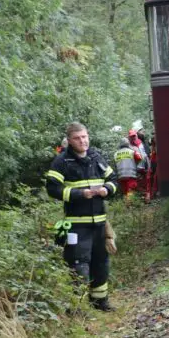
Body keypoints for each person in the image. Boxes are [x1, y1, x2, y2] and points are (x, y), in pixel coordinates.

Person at [45, 123, 118, 311]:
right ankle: (76, 307)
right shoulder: (62, 162)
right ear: (69, 140)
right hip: (76, 226)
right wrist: (79, 194)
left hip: (99, 224)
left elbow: (114, 180)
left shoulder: (96, 157)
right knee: (78, 265)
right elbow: (52, 189)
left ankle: (99, 302)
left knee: (101, 263)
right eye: (77, 138)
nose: (82, 141)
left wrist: (107, 189)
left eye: (84, 137)